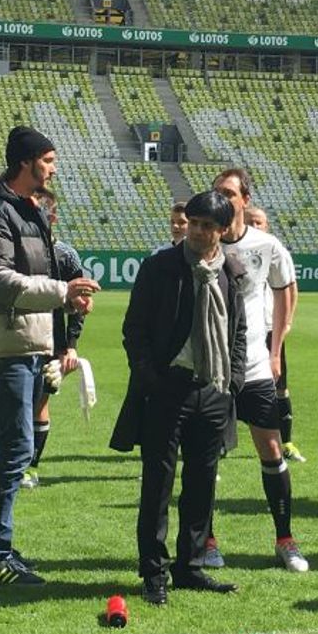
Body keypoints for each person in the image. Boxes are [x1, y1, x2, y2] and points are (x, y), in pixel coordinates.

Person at [0, 126, 100, 586]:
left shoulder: (24, 212)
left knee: (14, 447)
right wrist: (63, 291)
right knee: (14, 446)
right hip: (7, 341)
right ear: (26, 163)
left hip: (25, 339)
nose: (53, 168)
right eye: (48, 160)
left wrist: (67, 302)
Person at [110, 191, 246, 606]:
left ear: (222, 231)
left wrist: (233, 381)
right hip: (167, 388)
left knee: (202, 485)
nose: (198, 231)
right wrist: (151, 377)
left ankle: (190, 566)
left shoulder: (230, 272)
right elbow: (134, 330)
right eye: (194, 222)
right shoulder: (160, 267)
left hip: (213, 389)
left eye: (208, 225)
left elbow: (238, 332)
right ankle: (154, 571)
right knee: (158, 484)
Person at [205, 169, 308, 573]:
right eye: (218, 193)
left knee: (271, 448)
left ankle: (285, 540)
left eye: (230, 193)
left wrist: (276, 350)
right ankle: (207, 541)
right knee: (207, 455)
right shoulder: (203, 242)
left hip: (254, 364)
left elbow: (284, 295)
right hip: (213, 368)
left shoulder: (267, 245)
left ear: (245, 199)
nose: (224, 199)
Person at [0, 186, 86, 489]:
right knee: (2, 405)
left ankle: (29, 469)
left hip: (51, 340)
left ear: (51, 216)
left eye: (44, 209)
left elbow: (81, 302)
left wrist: (70, 346)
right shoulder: (13, 245)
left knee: (39, 402)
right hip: (17, 335)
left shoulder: (65, 254)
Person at [245, 204, 304, 464]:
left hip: (270, 329)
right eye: (250, 221)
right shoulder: (238, 249)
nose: (255, 226)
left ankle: (287, 442)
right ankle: (221, 445)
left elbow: (290, 289)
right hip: (244, 331)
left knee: (280, 388)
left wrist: (287, 322)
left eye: (259, 222)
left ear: (266, 225)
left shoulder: (273, 248)